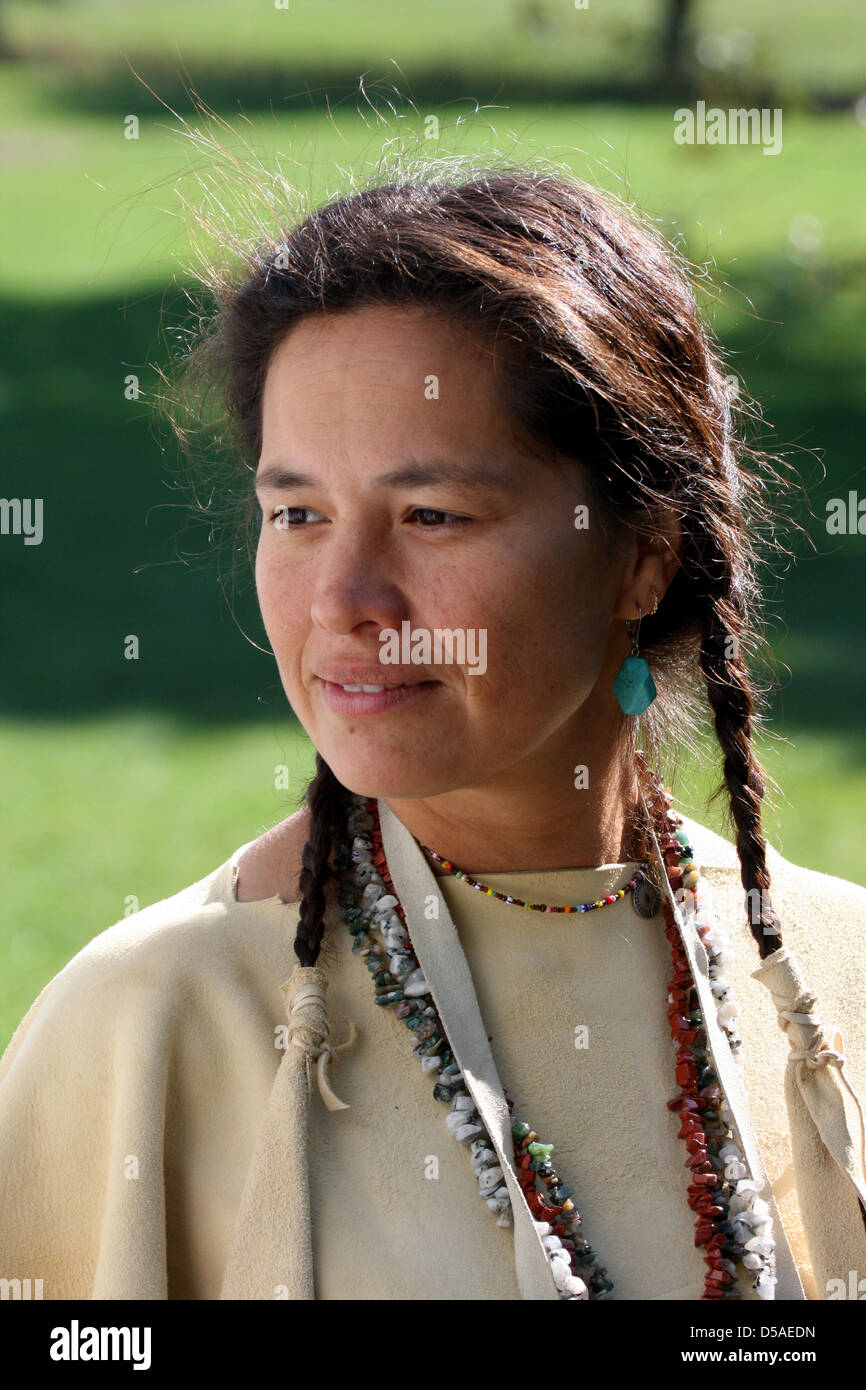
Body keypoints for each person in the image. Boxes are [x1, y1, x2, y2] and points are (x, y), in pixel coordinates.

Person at [1, 164, 865, 1302]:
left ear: (643, 552)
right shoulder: (157, 1019)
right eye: (296, 514)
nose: (342, 597)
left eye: (431, 516)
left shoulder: (831, 976)